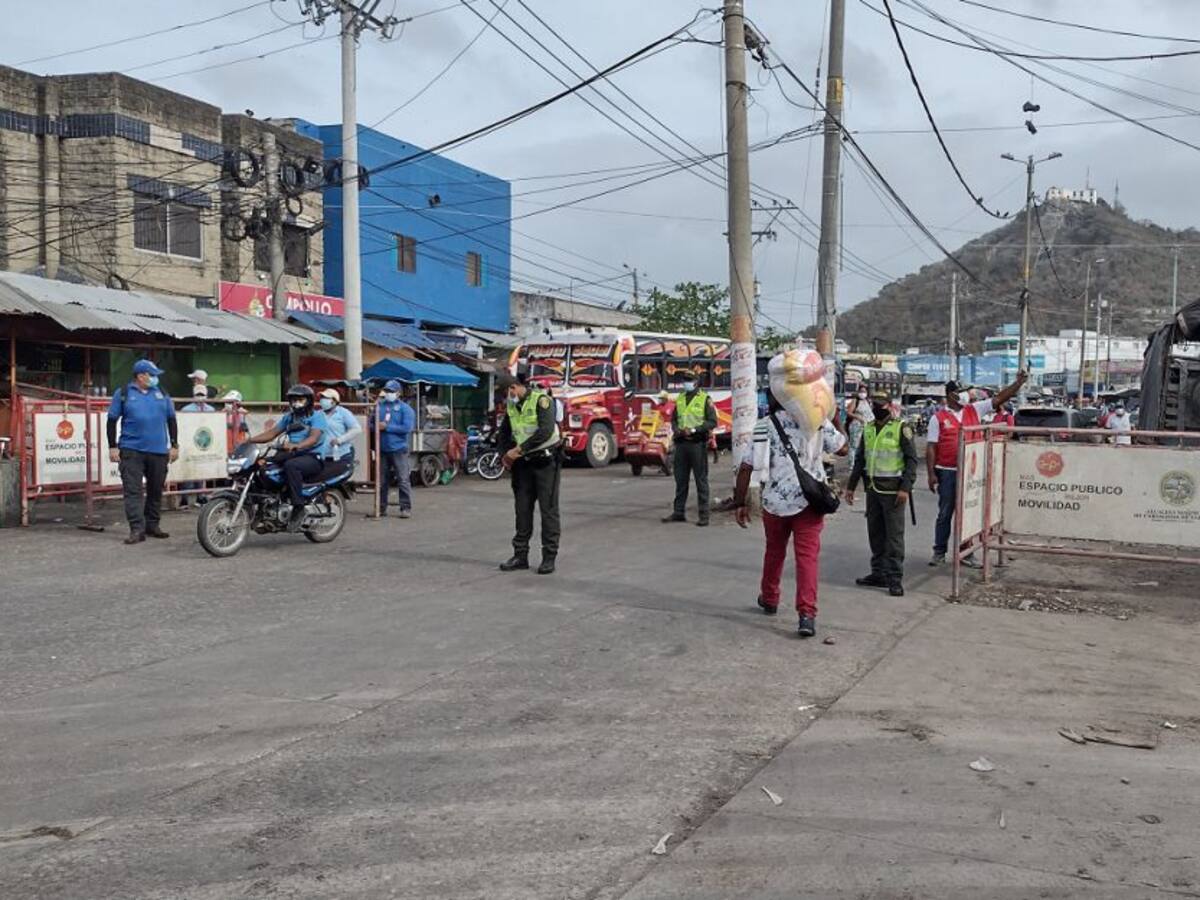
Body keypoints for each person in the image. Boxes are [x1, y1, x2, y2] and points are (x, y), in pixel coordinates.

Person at [732, 390, 847, 638]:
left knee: (774, 552)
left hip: (775, 503)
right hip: (810, 502)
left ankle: (770, 598)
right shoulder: (816, 420)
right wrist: (834, 416)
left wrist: (740, 503)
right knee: (807, 558)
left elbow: (746, 466)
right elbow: (843, 449)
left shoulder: (764, 425)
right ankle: (806, 615)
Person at [927, 372, 1028, 567]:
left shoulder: (974, 409)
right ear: (950, 395)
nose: (966, 395)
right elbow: (931, 447)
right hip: (947, 471)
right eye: (961, 391)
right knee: (945, 513)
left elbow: (999, 399)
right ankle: (939, 551)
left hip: (970, 472)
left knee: (968, 513)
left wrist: (1018, 383)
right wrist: (931, 474)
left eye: (966, 391)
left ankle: (966, 552)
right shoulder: (937, 418)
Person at [844, 390, 920, 596]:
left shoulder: (901, 428)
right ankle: (878, 573)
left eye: (881, 404)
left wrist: (905, 488)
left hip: (894, 490)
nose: (877, 408)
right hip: (873, 489)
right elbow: (860, 459)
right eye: (874, 404)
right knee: (876, 533)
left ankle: (895, 578)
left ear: (889, 406)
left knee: (893, 536)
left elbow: (912, 460)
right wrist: (851, 486)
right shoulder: (868, 428)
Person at [107, 359, 178, 544]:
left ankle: (152, 525)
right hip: (132, 450)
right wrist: (112, 446)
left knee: (156, 489)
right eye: (152, 375)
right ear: (140, 376)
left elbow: (171, 419)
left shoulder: (162, 393)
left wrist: (174, 445)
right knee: (133, 491)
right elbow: (112, 420)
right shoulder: (123, 393)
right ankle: (137, 529)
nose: (155, 378)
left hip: (158, 450)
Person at [497, 373, 562, 575]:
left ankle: (549, 557)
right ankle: (520, 556)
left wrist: (517, 450)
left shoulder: (542, 401)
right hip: (522, 466)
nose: (506, 398)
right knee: (522, 510)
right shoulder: (511, 406)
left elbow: (545, 431)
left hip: (545, 462)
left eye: (507, 393)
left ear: (514, 387)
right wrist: (504, 455)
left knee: (548, 510)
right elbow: (504, 433)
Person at [247, 385, 329, 532]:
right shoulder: (289, 417)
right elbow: (272, 433)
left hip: (312, 456)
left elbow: (314, 438)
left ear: (309, 401)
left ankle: (298, 508)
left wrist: (297, 445)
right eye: (293, 400)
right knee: (261, 465)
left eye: (300, 400)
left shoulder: (317, 416)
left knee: (291, 465)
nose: (296, 403)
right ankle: (264, 505)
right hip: (292, 453)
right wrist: (249, 441)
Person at [661, 377, 717, 526]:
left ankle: (704, 515)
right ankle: (678, 512)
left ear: (696, 383)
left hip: (697, 444)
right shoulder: (680, 398)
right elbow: (674, 419)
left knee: (701, 480)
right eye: (684, 381)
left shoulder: (705, 399)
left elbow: (712, 421)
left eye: (689, 381)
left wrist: (693, 430)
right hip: (681, 444)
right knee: (680, 480)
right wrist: (676, 429)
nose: (685, 383)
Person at [368, 380, 415, 519]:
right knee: (381, 481)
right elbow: (370, 424)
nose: (388, 393)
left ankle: (405, 508)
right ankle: (381, 508)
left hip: (399, 449)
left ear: (398, 393)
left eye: (391, 391)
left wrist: (386, 427)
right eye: (387, 391)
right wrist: (376, 426)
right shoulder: (379, 407)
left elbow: (407, 428)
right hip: (382, 449)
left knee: (403, 479)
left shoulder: (406, 409)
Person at [178, 385, 215, 510]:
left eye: (202, 394)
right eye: (198, 394)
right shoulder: (186, 409)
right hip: (189, 443)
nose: (200, 397)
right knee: (188, 473)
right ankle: (184, 499)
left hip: (204, 443)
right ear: (193, 395)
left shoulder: (211, 410)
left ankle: (201, 497)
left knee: (202, 471)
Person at [318, 388, 362, 468]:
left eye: (326, 398)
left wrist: (339, 440)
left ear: (335, 401)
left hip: (341, 454)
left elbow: (357, 429)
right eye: (322, 398)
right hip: (323, 455)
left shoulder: (343, 412)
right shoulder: (318, 414)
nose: (323, 400)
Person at [845, 386, 874, 475]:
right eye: (861, 391)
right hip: (856, 426)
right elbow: (849, 412)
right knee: (854, 446)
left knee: (865, 446)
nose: (862, 393)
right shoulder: (855, 401)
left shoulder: (868, 401)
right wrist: (858, 417)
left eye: (864, 391)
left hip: (867, 427)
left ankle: (862, 465)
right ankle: (852, 466)